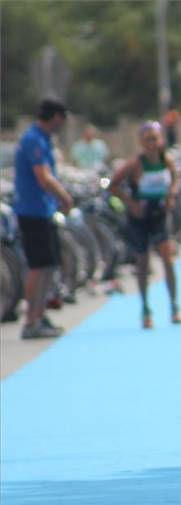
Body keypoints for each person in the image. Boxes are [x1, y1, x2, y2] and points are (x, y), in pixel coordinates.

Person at [110, 121, 181, 328]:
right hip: (140, 216)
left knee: (167, 257)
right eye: (148, 140)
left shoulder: (165, 160)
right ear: (141, 142)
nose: (152, 143)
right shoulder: (135, 164)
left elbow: (176, 178)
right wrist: (130, 203)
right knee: (142, 261)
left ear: (161, 140)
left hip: (159, 213)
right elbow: (113, 184)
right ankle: (145, 308)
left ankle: (174, 306)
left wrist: (172, 194)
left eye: (155, 139)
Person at [13, 99, 73, 339]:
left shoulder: (44, 139)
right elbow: (43, 177)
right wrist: (64, 197)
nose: (63, 123)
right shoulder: (34, 139)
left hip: (44, 211)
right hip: (32, 212)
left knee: (48, 264)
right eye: (61, 118)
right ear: (54, 117)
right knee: (38, 266)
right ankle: (30, 321)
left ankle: (39, 315)